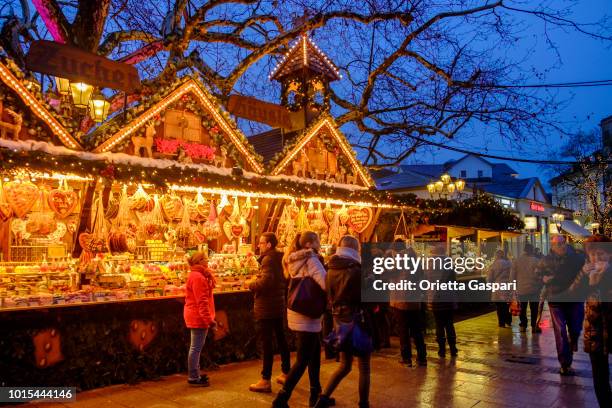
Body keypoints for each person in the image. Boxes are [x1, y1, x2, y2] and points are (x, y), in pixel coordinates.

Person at [273, 231, 327, 408]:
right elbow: (325, 282)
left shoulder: (293, 260)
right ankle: (281, 398)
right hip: (308, 314)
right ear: (310, 244)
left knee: (314, 353)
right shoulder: (311, 260)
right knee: (303, 358)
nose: (320, 244)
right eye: (318, 241)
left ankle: (316, 392)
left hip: (298, 311)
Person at [316, 235, 371, 408]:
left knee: (344, 365)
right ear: (355, 250)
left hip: (338, 320)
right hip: (357, 321)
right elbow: (366, 298)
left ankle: (323, 398)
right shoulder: (357, 270)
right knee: (364, 366)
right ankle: (363, 403)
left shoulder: (329, 269)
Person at [570, 235, 612, 406]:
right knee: (600, 376)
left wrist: (606, 275)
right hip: (594, 330)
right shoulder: (586, 271)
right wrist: (588, 281)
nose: (596, 259)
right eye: (592, 255)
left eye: (601, 254)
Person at [248, 232, 290, 393]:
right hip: (277, 304)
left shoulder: (268, 259)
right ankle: (286, 372)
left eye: (261, 242)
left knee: (266, 344)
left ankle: (265, 380)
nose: (259, 245)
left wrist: (251, 284)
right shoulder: (279, 258)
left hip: (267, 306)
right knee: (281, 339)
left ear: (269, 245)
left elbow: (266, 282)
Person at [538, 234, 585, 375]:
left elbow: (585, 274)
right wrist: (543, 278)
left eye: (562, 243)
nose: (560, 246)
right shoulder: (546, 260)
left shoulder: (577, 258)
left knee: (576, 328)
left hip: (575, 298)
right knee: (560, 332)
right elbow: (537, 274)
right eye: (556, 244)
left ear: (566, 243)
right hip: (555, 299)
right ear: (552, 246)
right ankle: (565, 363)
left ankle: (574, 339)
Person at [183, 251, 216, 386]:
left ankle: (195, 373)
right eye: (206, 259)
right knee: (196, 348)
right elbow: (201, 302)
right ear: (199, 261)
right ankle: (193, 377)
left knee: (196, 347)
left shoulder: (197, 275)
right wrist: (209, 321)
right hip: (198, 316)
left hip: (196, 314)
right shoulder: (198, 277)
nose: (208, 261)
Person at [390, 246, 427, 367]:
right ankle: (422, 358)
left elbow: (387, 273)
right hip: (415, 302)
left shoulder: (399, 264)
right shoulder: (417, 265)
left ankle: (406, 358)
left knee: (403, 331)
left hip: (400, 302)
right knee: (417, 331)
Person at [425, 242, 458, 357]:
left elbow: (426, 279)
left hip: (434, 298)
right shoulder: (448, 261)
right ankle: (453, 348)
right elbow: (453, 279)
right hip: (448, 297)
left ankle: (441, 349)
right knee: (449, 323)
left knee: (439, 324)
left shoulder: (429, 262)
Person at [511, 243, 542, 333]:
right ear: (532, 250)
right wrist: (540, 285)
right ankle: (533, 326)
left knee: (522, 308)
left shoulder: (517, 261)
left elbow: (512, 276)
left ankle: (523, 325)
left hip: (521, 289)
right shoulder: (536, 261)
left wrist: (513, 287)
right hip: (534, 289)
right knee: (534, 308)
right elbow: (539, 275)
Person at [487, 250, 513, 328]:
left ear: (496, 256)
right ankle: (508, 320)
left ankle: (501, 322)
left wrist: (489, 283)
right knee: (506, 305)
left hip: (498, 287)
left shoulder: (494, 265)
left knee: (499, 306)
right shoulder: (509, 263)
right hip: (507, 286)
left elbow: (490, 278)